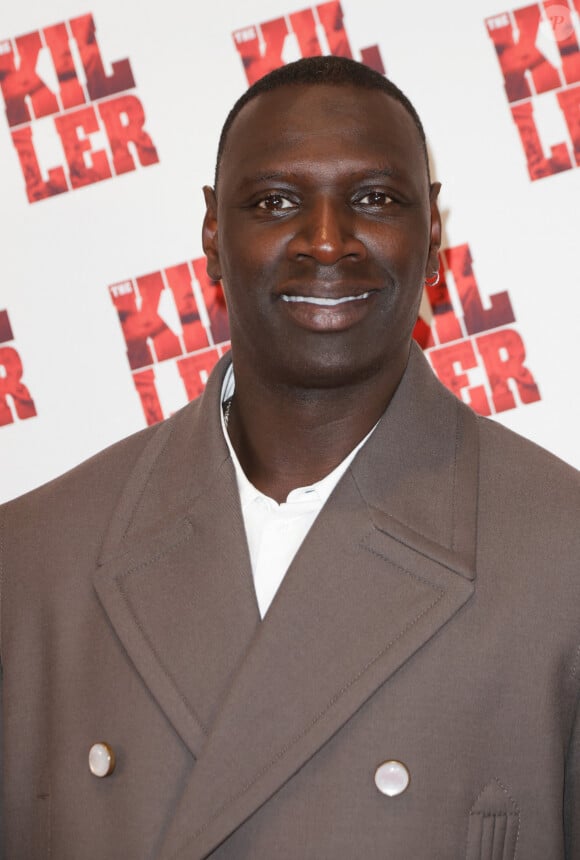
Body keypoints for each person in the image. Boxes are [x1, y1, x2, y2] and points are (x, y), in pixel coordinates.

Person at [1, 55, 579, 860]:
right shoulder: (33, 558)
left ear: (434, 228)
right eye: (275, 202)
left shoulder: (561, 555)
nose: (327, 242)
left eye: (374, 199)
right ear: (211, 232)